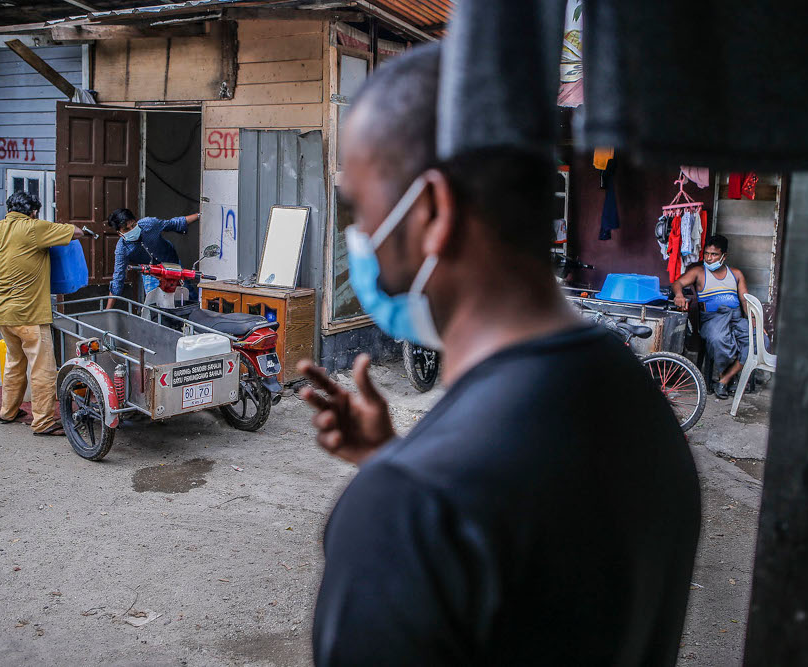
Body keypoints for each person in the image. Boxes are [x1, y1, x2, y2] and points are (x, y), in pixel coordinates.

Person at [298, 44, 701, 666]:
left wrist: (402, 485)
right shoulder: (637, 401)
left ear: (431, 212)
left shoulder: (404, 514)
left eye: (361, 208)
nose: (360, 239)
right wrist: (396, 459)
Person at [0, 191, 84, 436]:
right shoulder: (32, 228)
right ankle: (43, 422)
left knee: (14, 363)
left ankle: (8, 411)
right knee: (42, 369)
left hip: (3, 311)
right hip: (29, 313)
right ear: (33, 211)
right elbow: (76, 232)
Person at [671, 234, 750, 399]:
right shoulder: (698, 272)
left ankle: (725, 379)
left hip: (735, 318)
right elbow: (677, 283)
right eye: (706, 253)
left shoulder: (736, 274)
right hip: (712, 319)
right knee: (718, 340)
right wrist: (678, 294)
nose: (709, 258)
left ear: (724, 256)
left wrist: (755, 321)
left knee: (759, 341)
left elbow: (745, 300)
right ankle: (726, 378)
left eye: (714, 254)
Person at [104, 208, 199, 309]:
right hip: (152, 272)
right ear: (120, 233)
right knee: (154, 305)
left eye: (133, 225)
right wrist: (107, 311)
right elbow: (118, 280)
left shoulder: (149, 224)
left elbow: (174, 223)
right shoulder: (122, 250)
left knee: (188, 296)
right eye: (127, 229)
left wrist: (199, 215)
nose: (132, 230)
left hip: (172, 264)